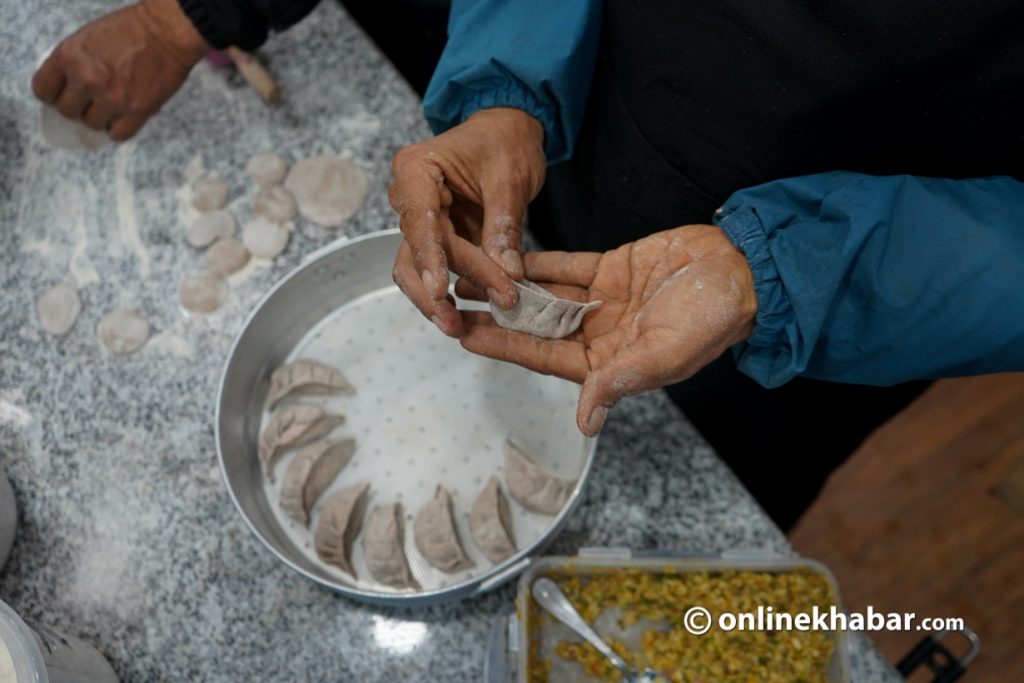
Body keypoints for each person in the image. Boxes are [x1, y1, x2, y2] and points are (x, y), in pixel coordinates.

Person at [387, 0, 1024, 529]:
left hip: (868, 295)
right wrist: (510, 87)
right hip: (604, 116)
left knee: (675, 507)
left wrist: (796, 274)